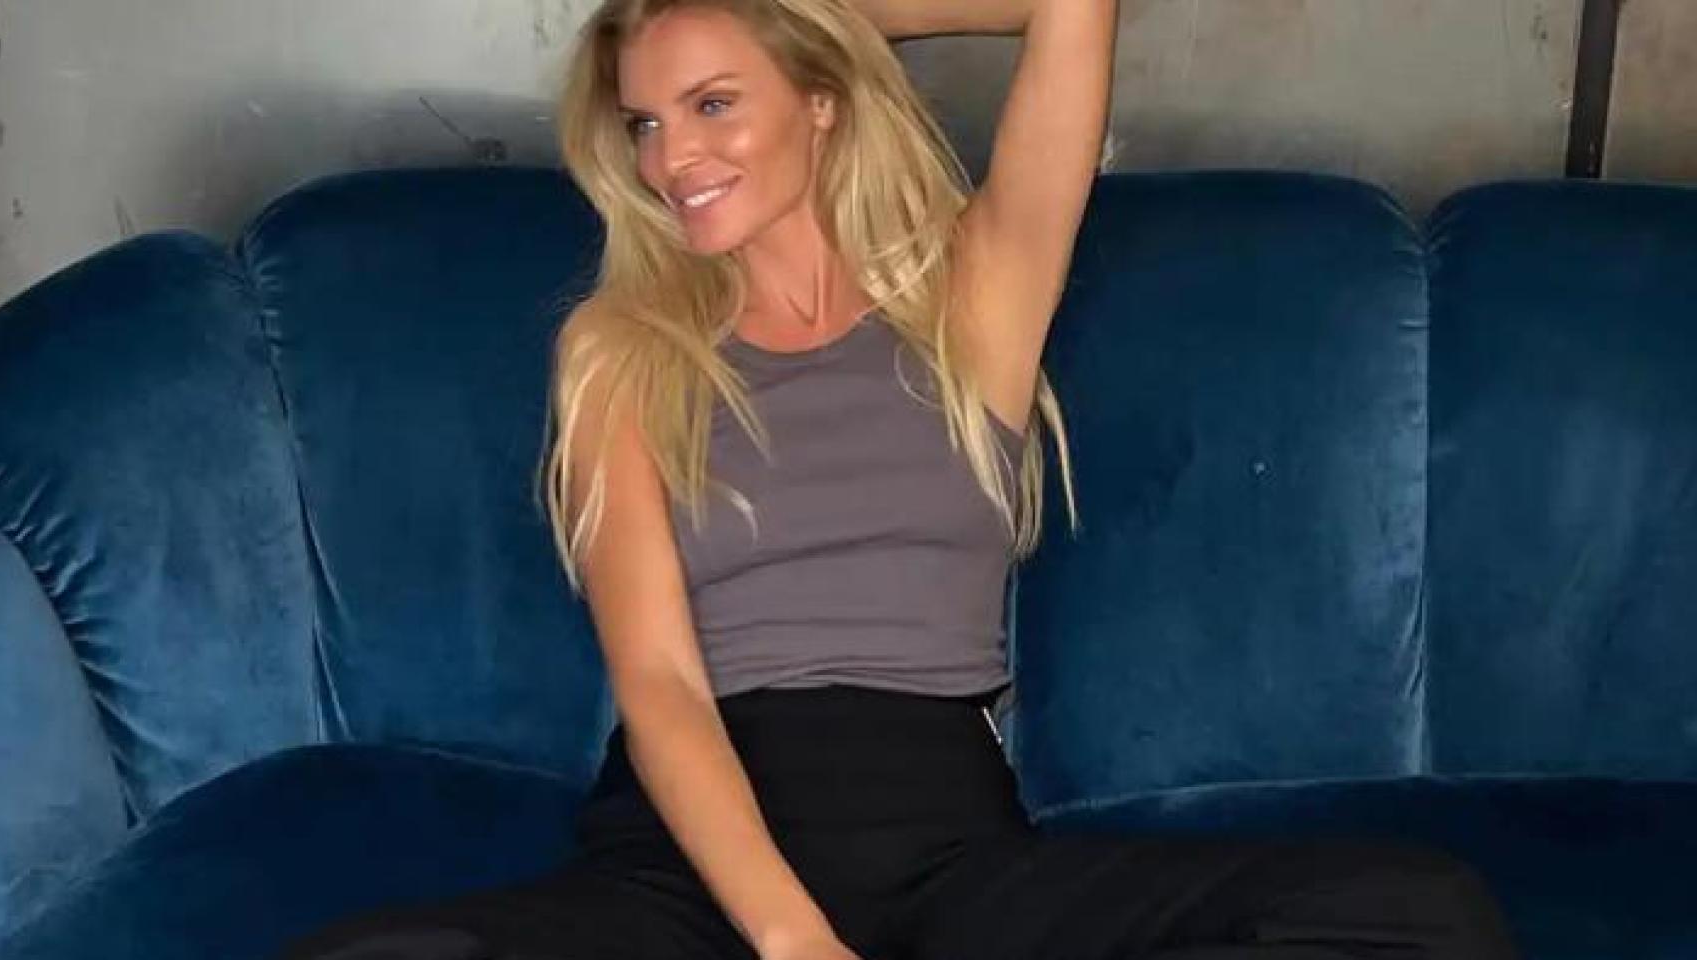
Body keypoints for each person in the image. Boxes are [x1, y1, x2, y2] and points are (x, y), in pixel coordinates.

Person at [276, 0, 1522, 958]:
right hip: (694, 871)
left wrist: (801, 11)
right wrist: (788, 939)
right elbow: (658, 685)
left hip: (947, 853)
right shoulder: (617, 350)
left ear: (821, 100)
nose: (670, 156)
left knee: (1417, 913)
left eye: (713, 103)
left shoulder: (972, 300)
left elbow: (1072, 7)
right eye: (644, 122)